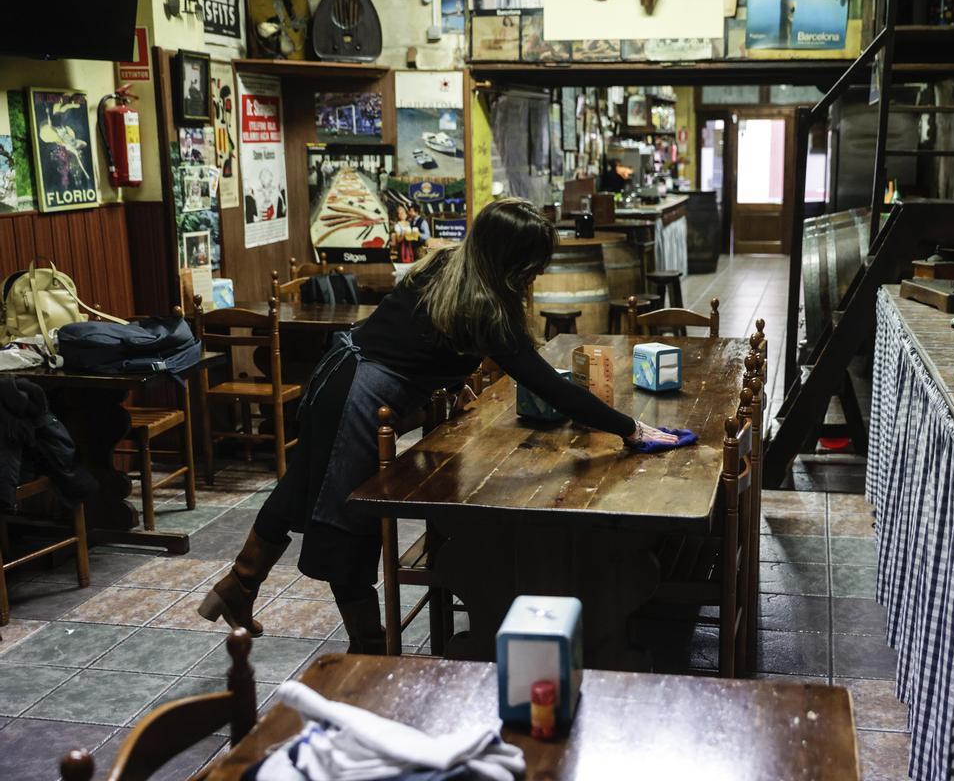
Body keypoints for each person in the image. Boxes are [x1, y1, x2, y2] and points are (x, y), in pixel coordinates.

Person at [198, 198, 689, 653]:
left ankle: (239, 584)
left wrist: (450, 380)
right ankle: (368, 646)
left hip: (339, 373)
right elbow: (550, 387)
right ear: (514, 260)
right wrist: (630, 429)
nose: (541, 270)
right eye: (536, 260)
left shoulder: (447, 265)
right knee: (348, 519)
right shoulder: (485, 305)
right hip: (359, 394)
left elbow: (418, 340)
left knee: (303, 480)